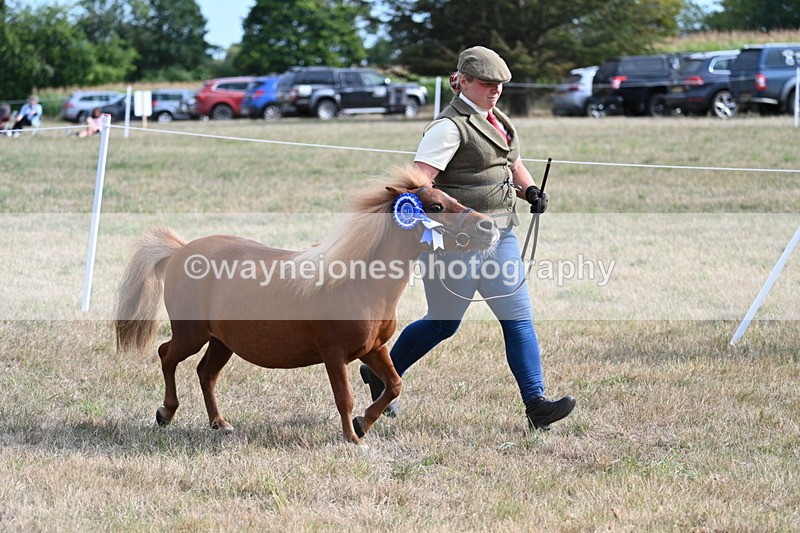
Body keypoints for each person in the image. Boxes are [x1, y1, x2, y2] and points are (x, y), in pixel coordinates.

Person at [360, 46, 576, 431]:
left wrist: (529, 192)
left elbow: (513, 163)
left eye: (500, 85)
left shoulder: (500, 121)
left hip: (501, 234)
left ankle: (536, 403)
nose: (495, 91)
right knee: (444, 323)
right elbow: (420, 182)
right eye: (487, 84)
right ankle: (380, 373)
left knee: (518, 318)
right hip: (456, 243)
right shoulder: (447, 129)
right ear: (463, 82)